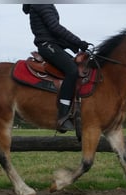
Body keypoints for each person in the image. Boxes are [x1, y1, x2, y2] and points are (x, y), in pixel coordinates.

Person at [22, 4, 90, 132]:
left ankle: (76, 112)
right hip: (47, 45)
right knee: (72, 71)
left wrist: (75, 45)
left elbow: (54, 32)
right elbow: (55, 28)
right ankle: (63, 116)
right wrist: (78, 42)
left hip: (53, 45)